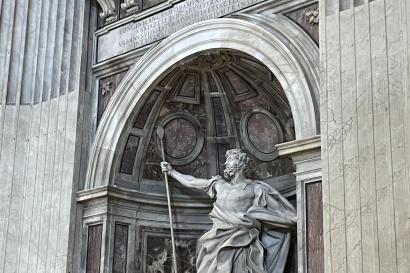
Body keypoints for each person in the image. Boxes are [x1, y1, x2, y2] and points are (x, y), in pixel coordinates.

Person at [161, 149, 296, 273]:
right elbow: (192, 182)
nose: (226, 163)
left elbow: (282, 213)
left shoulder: (255, 188)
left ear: (241, 163)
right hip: (215, 238)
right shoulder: (219, 184)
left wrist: (293, 219)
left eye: (230, 159)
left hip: (241, 240)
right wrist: (172, 172)